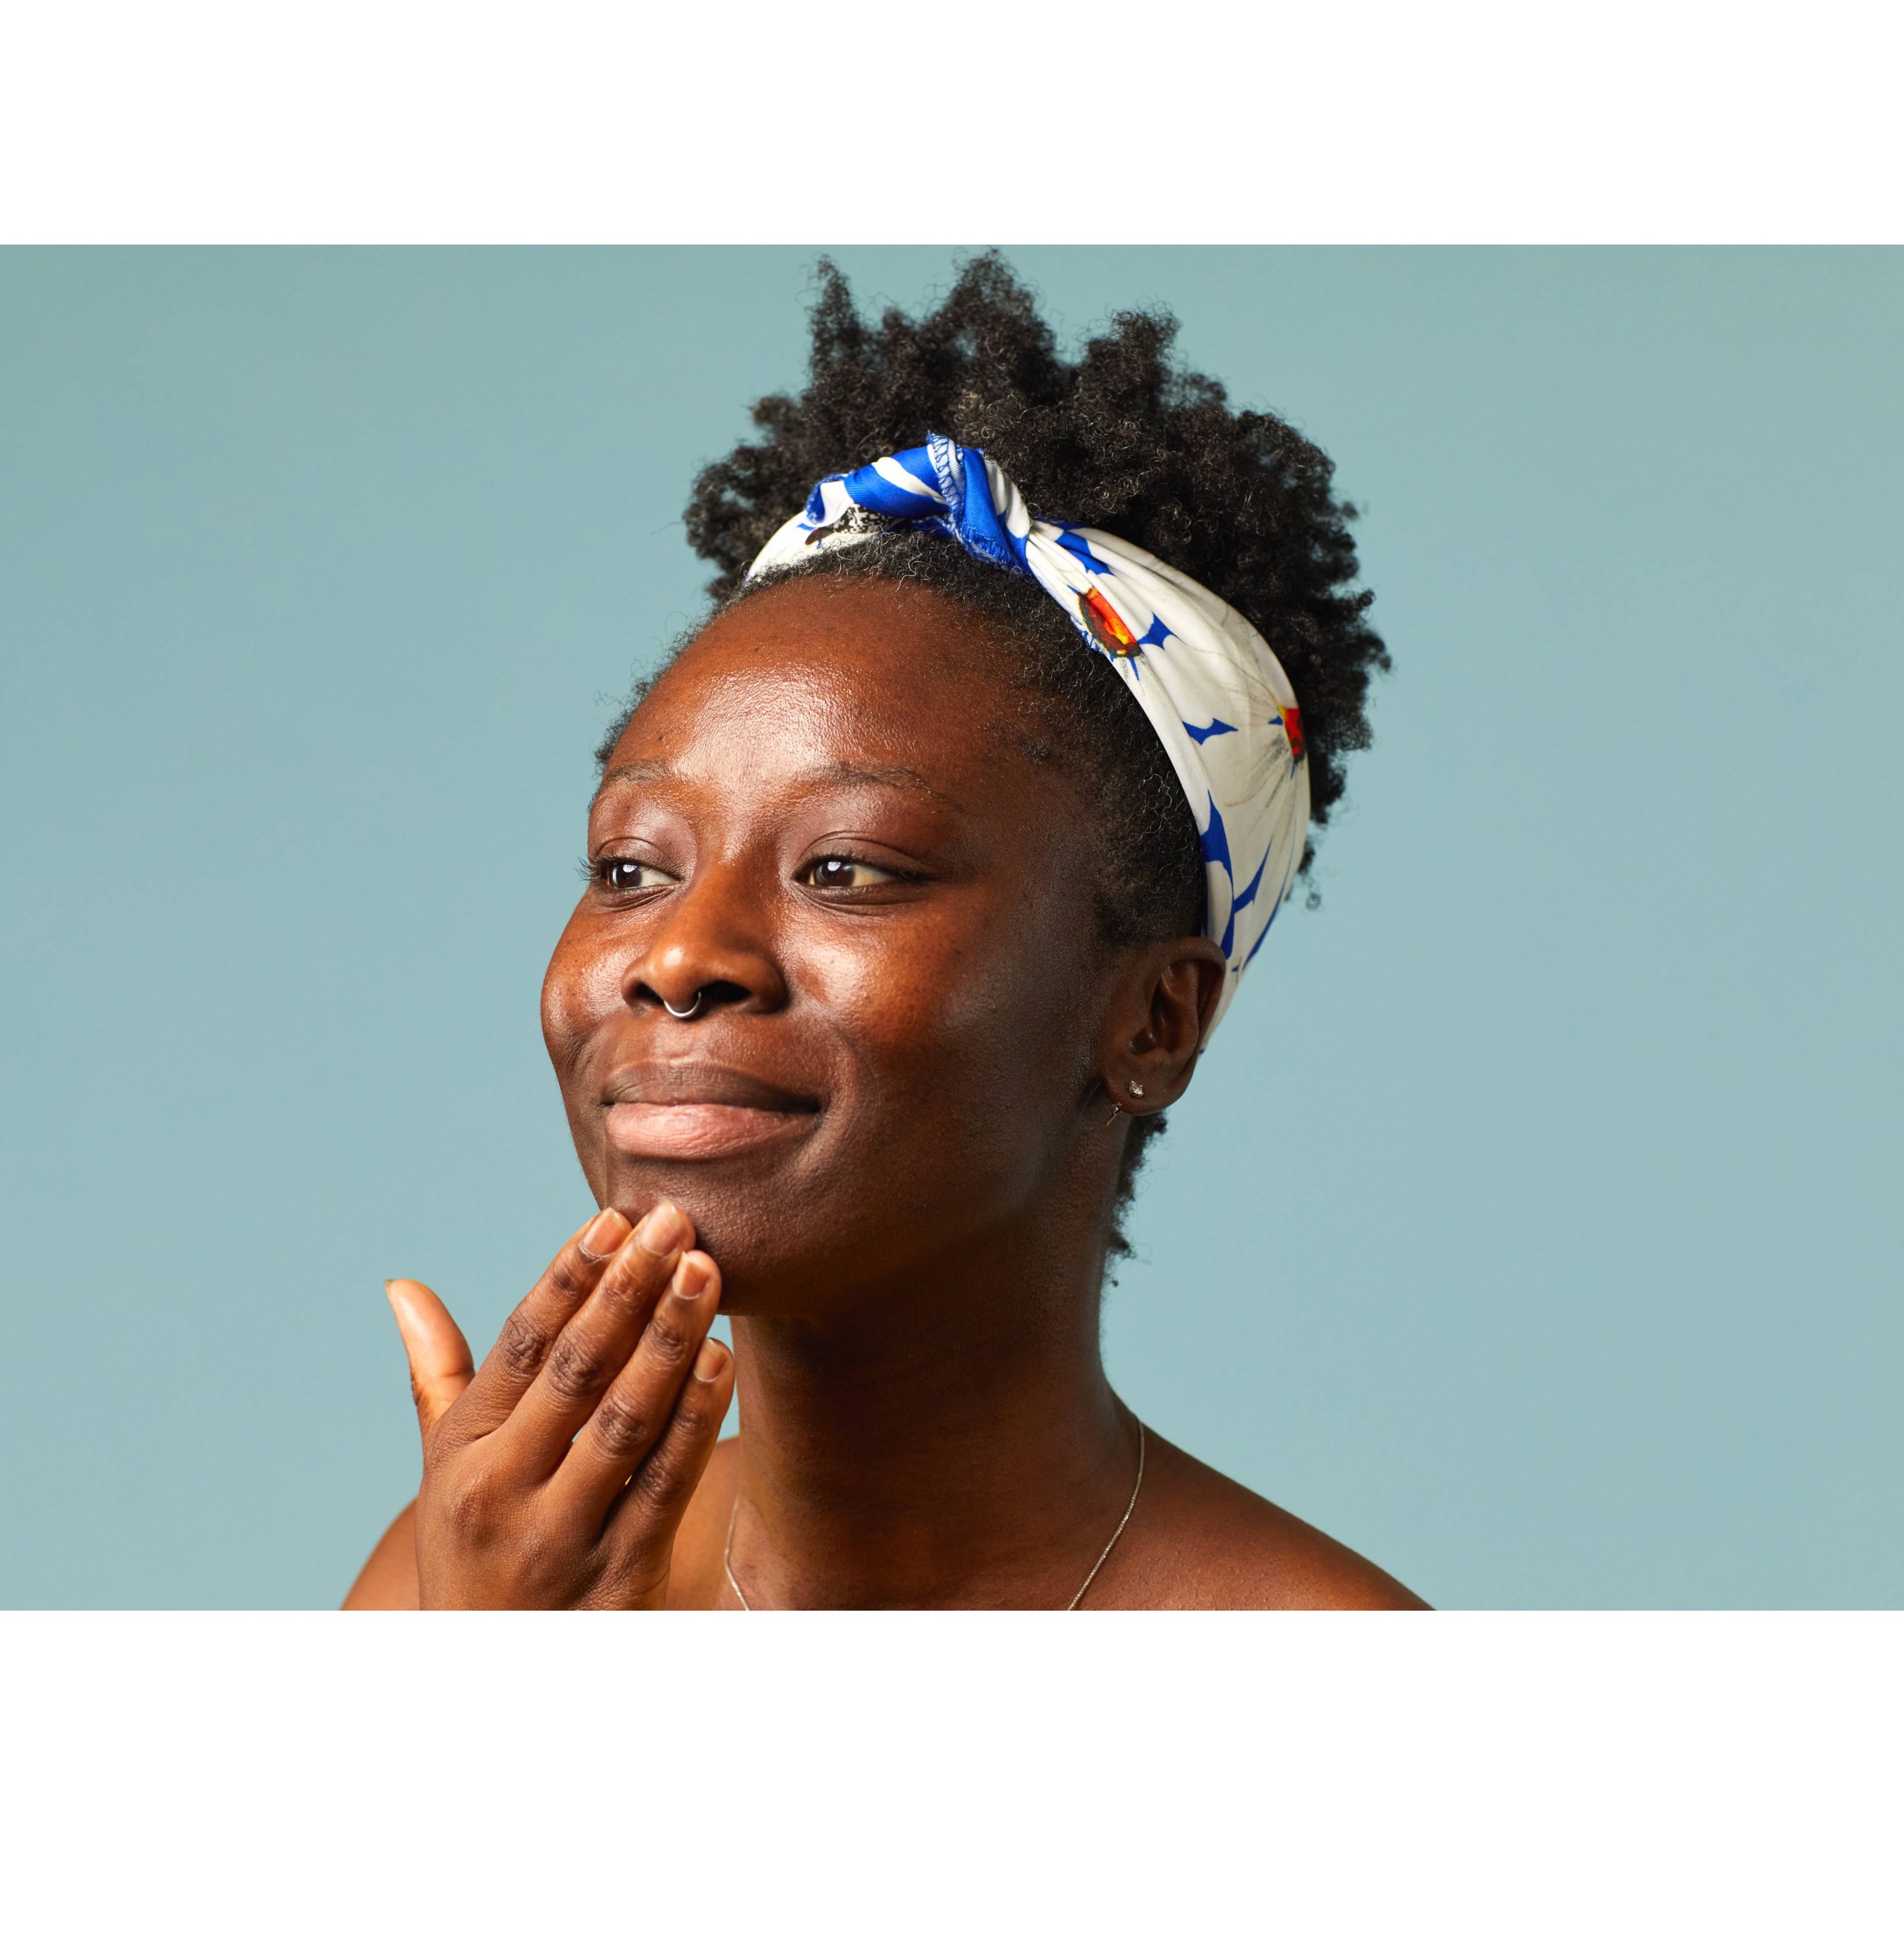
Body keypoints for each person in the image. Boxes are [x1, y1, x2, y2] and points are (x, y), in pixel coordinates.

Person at [344, 256, 1423, 1609]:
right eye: (629, 866)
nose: (676, 957)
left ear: (1154, 1022)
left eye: (846, 868)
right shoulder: (483, 1575)